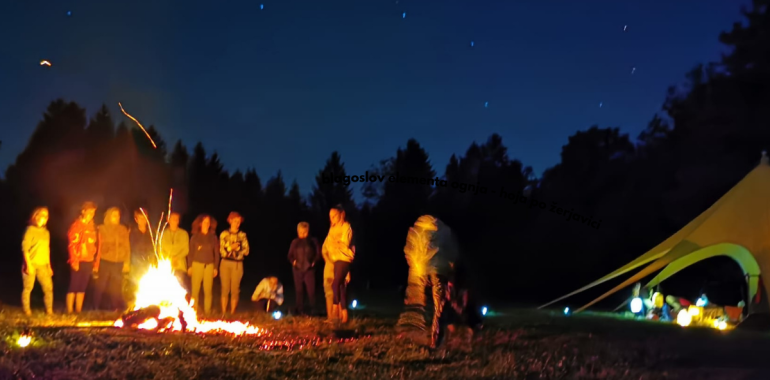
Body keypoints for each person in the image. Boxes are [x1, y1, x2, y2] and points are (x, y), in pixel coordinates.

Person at [396, 215, 460, 348]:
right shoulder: (445, 231)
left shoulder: (418, 229)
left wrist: (415, 269)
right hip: (439, 271)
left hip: (422, 270)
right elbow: (453, 253)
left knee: (427, 304)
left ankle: (431, 332)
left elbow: (409, 251)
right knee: (439, 305)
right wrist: (451, 272)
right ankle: (435, 340)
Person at [93, 207, 131, 311]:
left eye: (118, 215)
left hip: (118, 261)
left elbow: (127, 246)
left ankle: (115, 307)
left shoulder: (122, 229)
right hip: (105, 260)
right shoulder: (101, 228)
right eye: (114, 215)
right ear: (109, 216)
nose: (117, 217)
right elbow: (98, 244)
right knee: (101, 284)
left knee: (116, 285)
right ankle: (95, 306)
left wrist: (127, 262)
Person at [324, 205, 355, 324]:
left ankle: (335, 308)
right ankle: (344, 315)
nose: (332, 218)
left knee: (335, 283)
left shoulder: (346, 226)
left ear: (341, 214)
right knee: (341, 286)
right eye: (330, 217)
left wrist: (337, 244)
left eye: (334, 216)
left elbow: (345, 243)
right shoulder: (332, 229)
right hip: (336, 259)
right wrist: (337, 244)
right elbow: (329, 245)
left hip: (344, 259)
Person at [21, 207, 54, 316]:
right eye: (42, 215)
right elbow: (25, 248)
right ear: (36, 216)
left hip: (43, 264)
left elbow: (47, 249)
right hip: (31, 263)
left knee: (48, 288)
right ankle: (27, 310)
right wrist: (28, 265)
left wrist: (49, 266)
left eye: (46, 216)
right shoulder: (30, 230)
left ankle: (49, 310)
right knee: (28, 288)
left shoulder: (46, 232)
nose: (44, 218)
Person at [67, 201, 98, 314]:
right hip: (78, 259)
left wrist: (95, 261)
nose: (91, 214)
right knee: (74, 285)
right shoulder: (76, 225)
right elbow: (72, 244)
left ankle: (78, 310)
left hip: (88, 260)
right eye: (89, 211)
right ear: (83, 211)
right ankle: (70, 310)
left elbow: (95, 244)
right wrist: (74, 260)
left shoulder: (92, 226)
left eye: (93, 212)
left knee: (82, 285)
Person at [219, 211, 250, 314]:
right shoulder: (224, 234)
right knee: (225, 288)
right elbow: (222, 251)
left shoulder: (242, 235)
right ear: (230, 221)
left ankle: (232, 312)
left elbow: (247, 251)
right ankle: (223, 312)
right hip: (225, 263)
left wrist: (238, 248)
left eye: (239, 222)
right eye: (235, 221)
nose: (237, 223)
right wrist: (230, 247)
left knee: (235, 289)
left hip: (237, 264)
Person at [188, 214, 219, 314]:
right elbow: (190, 253)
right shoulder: (195, 237)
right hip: (197, 264)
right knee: (195, 291)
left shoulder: (213, 238)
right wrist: (189, 266)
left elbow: (217, 254)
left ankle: (207, 312)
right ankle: (194, 312)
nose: (206, 224)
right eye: (205, 222)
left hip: (209, 266)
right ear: (200, 223)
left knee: (208, 291)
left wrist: (215, 267)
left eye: (208, 222)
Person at [287, 222, 320, 315]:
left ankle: (313, 309)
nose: (302, 234)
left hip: (309, 269)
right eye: (301, 232)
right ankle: (300, 309)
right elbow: (290, 255)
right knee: (299, 290)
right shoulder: (295, 242)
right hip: (297, 269)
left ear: (308, 231)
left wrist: (313, 262)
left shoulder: (313, 241)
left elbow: (318, 254)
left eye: (304, 232)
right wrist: (293, 261)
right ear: (298, 231)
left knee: (311, 290)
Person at [127, 209, 155, 309]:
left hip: (148, 262)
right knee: (135, 284)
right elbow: (130, 247)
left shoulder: (151, 232)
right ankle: (134, 306)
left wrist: (152, 259)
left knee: (148, 284)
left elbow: (154, 247)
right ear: (136, 219)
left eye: (144, 218)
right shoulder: (132, 232)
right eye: (140, 218)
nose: (143, 220)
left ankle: (147, 306)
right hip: (136, 262)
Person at [161, 212, 190, 292]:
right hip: (166, 266)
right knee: (166, 289)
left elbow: (186, 250)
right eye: (173, 219)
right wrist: (169, 258)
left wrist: (176, 257)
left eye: (177, 219)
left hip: (180, 266)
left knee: (179, 289)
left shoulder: (184, 234)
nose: (175, 221)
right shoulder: (163, 233)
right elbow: (160, 249)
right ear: (168, 219)